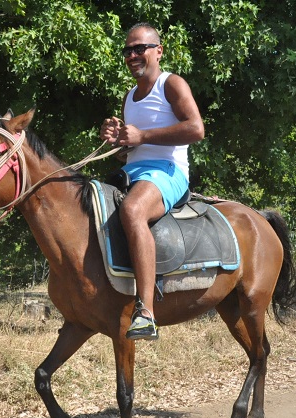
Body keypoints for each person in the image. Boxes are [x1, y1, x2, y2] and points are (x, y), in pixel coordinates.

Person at [100, 22, 204, 340]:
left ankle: (146, 312)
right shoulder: (129, 97)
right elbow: (130, 152)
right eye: (128, 50)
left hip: (168, 172)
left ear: (158, 51)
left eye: (139, 48)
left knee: (132, 211)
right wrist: (116, 141)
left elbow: (196, 129)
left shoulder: (171, 84)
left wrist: (142, 134)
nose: (133, 55)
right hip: (134, 172)